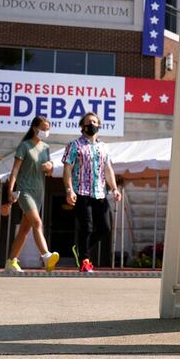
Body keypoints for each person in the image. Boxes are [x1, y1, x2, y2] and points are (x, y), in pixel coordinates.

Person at [62, 111, 121, 273]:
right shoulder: (74, 145)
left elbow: (108, 169)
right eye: (88, 122)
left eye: (95, 122)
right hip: (81, 192)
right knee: (86, 227)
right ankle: (85, 261)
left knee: (105, 228)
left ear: (99, 126)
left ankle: (82, 249)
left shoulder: (104, 147)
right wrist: (69, 190)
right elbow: (67, 170)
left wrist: (114, 188)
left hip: (100, 193)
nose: (92, 125)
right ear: (82, 126)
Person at [3, 116, 60, 274]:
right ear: (35, 128)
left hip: (39, 191)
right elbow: (15, 170)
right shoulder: (24, 146)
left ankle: (11, 262)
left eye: (48, 129)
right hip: (24, 190)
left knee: (24, 230)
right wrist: (10, 190)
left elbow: (49, 172)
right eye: (43, 128)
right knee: (37, 222)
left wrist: (50, 166)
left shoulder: (46, 147)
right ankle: (46, 255)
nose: (45, 131)